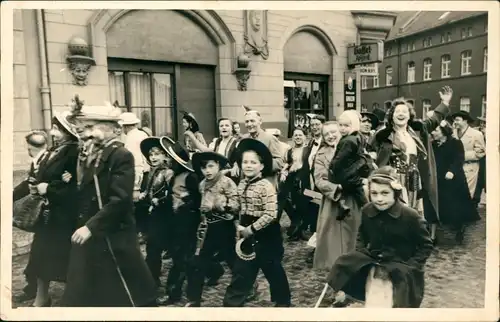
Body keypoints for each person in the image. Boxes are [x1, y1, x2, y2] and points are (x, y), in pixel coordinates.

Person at [62, 102, 157, 307]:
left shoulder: (120, 155)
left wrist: (90, 227)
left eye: (91, 127)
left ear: (113, 129)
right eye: (83, 128)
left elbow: (120, 200)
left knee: (125, 293)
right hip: (93, 234)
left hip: (113, 235)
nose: (85, 133)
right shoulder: (90, 153)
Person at [326, 166, 433, 308]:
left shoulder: (410, 216)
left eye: (385, 193)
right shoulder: (367, 210)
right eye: (374, 193)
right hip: (375, 265)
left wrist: (411, 266)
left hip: (400, 269)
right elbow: (361, 235)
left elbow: (426, 245)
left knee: (395, 305)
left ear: (395, 193)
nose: (379, 199)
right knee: (372, 298)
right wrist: (362, 252)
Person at [368, 86, 452, 241]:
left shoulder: (418, 130)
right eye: (397, 111)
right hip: (393, 180)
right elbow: (369, 152)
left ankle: (407, 242)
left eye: (404, 111)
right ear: (391, 115)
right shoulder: (383, 134)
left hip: (414, 178)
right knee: (394, 211)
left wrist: (444, 102)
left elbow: (434, 120)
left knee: (412, 212)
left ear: (409, 116)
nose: (401, 114)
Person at [223, 138, 291, 307]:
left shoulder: (266, 186)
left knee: (272, 269)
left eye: (253, 162)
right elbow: (238, 205)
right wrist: (227, 206)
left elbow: (271, 214)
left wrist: (251, 229)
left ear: (261, 166)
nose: (248, 165)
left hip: (267, 234)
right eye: (245, 162)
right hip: (246, 233)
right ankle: (232, 304)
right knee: (241, 270)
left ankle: (283, 302)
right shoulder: (242, 184)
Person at [21, 112, 80, 307]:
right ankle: (42, 297)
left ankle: (72, 298)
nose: (52, 133)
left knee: (64, 258)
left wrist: (50, 188)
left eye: (57, 129)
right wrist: (36, 185)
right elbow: (45, 174)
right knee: (40, 256)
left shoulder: (74, 152)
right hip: (49, 213)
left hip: (64, 215)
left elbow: (74, 185)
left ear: (68, 131)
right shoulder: (56, 149)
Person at [185, 151, 239, 307]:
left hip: (224, 227)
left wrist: (217, 205)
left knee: (233, 261)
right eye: (203, 168)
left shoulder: (227, 182)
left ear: (219, 166)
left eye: (211, 166)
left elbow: (236, 205)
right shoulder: (202, 184)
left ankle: (247, 287)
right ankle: (194, 298)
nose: (207, 171)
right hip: (208, 227)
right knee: (198, 261)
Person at [157, 138, 201, 306]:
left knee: (182, 260)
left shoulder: (190, 177)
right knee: (180, 258)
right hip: (175, 223)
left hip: (187, 224)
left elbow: (198, 200)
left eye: (169, 158)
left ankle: (175, 294)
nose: (166, 161)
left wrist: (187, 199)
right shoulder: (175, 176)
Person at [12, 131, 49, 302]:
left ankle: (35, 291)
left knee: (41, 251)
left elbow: (31, 183)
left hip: (49, 213)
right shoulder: (40, 159)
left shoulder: (44, 161)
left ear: (29, 148)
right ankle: (33, 288)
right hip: (46, 214)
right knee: (40, 251)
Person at [431, 120, 480, 243]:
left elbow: (459, 158)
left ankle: (459, 229)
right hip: (440, 179)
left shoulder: (455, 143)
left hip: (454, 179)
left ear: (443, 131)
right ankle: (438, 231)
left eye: (436, 130)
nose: (433, 133)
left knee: (456, 206)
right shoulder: (433, 145)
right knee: (443, 205)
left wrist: (452, 171)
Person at [139, 136, 174, 288]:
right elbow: (148, 190)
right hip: (153, 214)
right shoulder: (150, 173)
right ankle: (151, 279)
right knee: (153, 246)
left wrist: (159, 201)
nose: (153, 157)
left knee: (169, 248)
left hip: (166, 215)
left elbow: (172, 194)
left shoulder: (169, 173)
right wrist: (144, 195)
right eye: (151, 155)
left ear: (165, 155)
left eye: (157, 154)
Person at [119, 111, 150, 242]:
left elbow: (136, 163)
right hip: (147, 173)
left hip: (140, 175)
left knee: (138, 205)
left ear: (125, 126)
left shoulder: (131, 139)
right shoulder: (142, 134)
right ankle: (143, 231)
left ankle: (141, 232)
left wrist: (136, 186)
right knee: (144, 204)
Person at [279, 127, 311, 241]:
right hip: (292, 180)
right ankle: (296, 228)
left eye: (300, 135)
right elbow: (288, 163)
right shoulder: (289, 151)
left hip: (305, 180)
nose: (297, 137)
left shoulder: (308, 149)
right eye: (295, 135)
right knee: (292, 203)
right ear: (292, 138)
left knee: (303, 204)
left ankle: (300, 229)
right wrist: (284, 171)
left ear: (305, 137)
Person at [303, 113, 326, 264]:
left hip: (321, 187)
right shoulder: (311, 143)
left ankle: (318, 250)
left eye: (317, 124)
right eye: (312, 125)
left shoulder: (327, 143)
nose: (315, 127)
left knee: (322, 217)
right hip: (310, 185)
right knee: (313, 215)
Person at [451, 110, 486, 209]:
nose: (455, 122)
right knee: (456, 192)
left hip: (470, 167)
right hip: (455, 167)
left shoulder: (476, 134)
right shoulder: (452, 133)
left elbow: (481, 152)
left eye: (458, 120)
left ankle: (468, 216)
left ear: (465, 121)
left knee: (468, 192)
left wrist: (462, 156)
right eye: (454, 120)